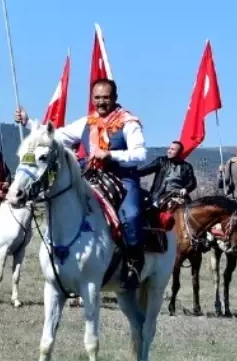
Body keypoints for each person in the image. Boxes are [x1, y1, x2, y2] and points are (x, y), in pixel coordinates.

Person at [15, 78, 148, 288]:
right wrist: (29, 123)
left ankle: (133, 264)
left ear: (115, 98)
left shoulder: (128, 122)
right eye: (97, 98)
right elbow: (55, 136)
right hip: (91, 175)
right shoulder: (87, 122)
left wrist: (111, 155)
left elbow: (140, 154)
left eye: (106, 97)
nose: (101, 102)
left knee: (130, 214)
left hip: (122, 179)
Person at [136, 140, 198, 208]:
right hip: (160, 195)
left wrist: (186, 189)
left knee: (191, 212)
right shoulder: (161, 161)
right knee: (148, 212)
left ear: (180, 152)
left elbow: (192, 182)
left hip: (179, 195)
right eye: (169, 148)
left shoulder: (187, 166)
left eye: (172, 149)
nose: (169, 151)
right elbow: (146, 170)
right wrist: (130, 173)